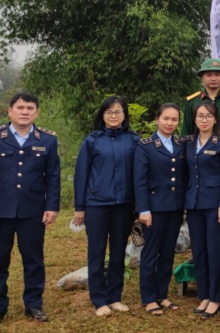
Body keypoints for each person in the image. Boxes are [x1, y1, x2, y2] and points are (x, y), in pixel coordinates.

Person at [0, 92, 60, 327]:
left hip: (33, 210)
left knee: (34, 260)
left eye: (30, 108)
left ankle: (33, 304)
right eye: (20, 107)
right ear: (10, 111)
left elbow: (53, 176)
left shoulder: (47, 140)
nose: (25, 111)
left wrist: (52, 206)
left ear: (37, 113)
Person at [74, 96, 139, 317]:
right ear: (102, 115)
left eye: (118, 112)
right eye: (109, 112)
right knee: (97, 251)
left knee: (119, 251)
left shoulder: (133, 140)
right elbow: (81, 174)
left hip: (124, 204)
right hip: (97, 205)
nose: (114, 115)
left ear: (124, 116)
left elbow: (140, 174)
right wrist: (79, 207)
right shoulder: (92, 141)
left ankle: (114, 297)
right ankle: (99, 299)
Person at [134, 103, 186, 315]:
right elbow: (139, 180)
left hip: (174, 207)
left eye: (174, 119)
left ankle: (162, 295)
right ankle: (148, 298)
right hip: (154, 209)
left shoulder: (181, 144)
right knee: (150, 253)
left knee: (167, 253)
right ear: (157, 119)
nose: (170, 123)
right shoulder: (145, 145)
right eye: (166, 118)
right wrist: (143, 209)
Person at [184, 101, 220, 318]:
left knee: (214, 253)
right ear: (194, 119)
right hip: (194, 204)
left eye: (208, 116)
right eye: (200, 116)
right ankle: (204, 295)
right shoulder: (188, 142)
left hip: (215, 205)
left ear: (215, 119)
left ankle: (216, 298)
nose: (204, 120)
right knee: (199, 252)